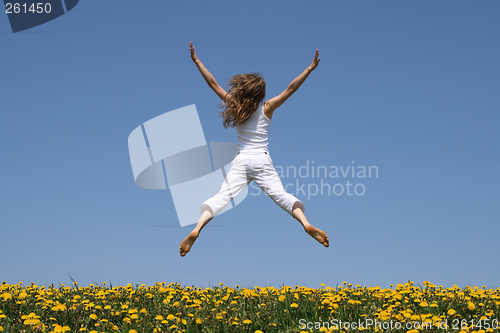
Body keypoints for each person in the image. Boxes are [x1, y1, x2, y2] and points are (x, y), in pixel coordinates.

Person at [180, 42, 329, 257]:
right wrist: (309, 69)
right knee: (282, 196)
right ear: (259, 94)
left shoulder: (235, 106)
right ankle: (306, 224)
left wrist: (197, 61)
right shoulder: (267, 108)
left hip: (242, 162)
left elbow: (212, 83)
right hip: (262, 160)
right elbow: (291, 89)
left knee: (220, 197)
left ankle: (197, 228)